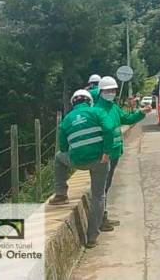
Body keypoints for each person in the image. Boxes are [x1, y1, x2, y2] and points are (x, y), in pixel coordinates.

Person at [50, 89, 114, 248]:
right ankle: (92, 237)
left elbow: (63, 148)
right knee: (98, 197)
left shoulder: (66, 120)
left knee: (58, 157)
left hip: (78, 161)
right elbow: (109, 129)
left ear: (73, 103)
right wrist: (106, 151)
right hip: (100, 160)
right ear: (89, 101)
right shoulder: (97, 112)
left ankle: (61, 193)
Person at [95, 76, 151, 230]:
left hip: (114, 152)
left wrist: (141, 112)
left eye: (113, 90)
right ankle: (100, 220)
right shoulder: (97, 110)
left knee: (107, 185)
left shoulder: (113, 107)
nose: (111, 93)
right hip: (104, 155)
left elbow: (127, 118)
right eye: (107, 90)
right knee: (103, 188)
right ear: (101, 92)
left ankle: (103, 217)